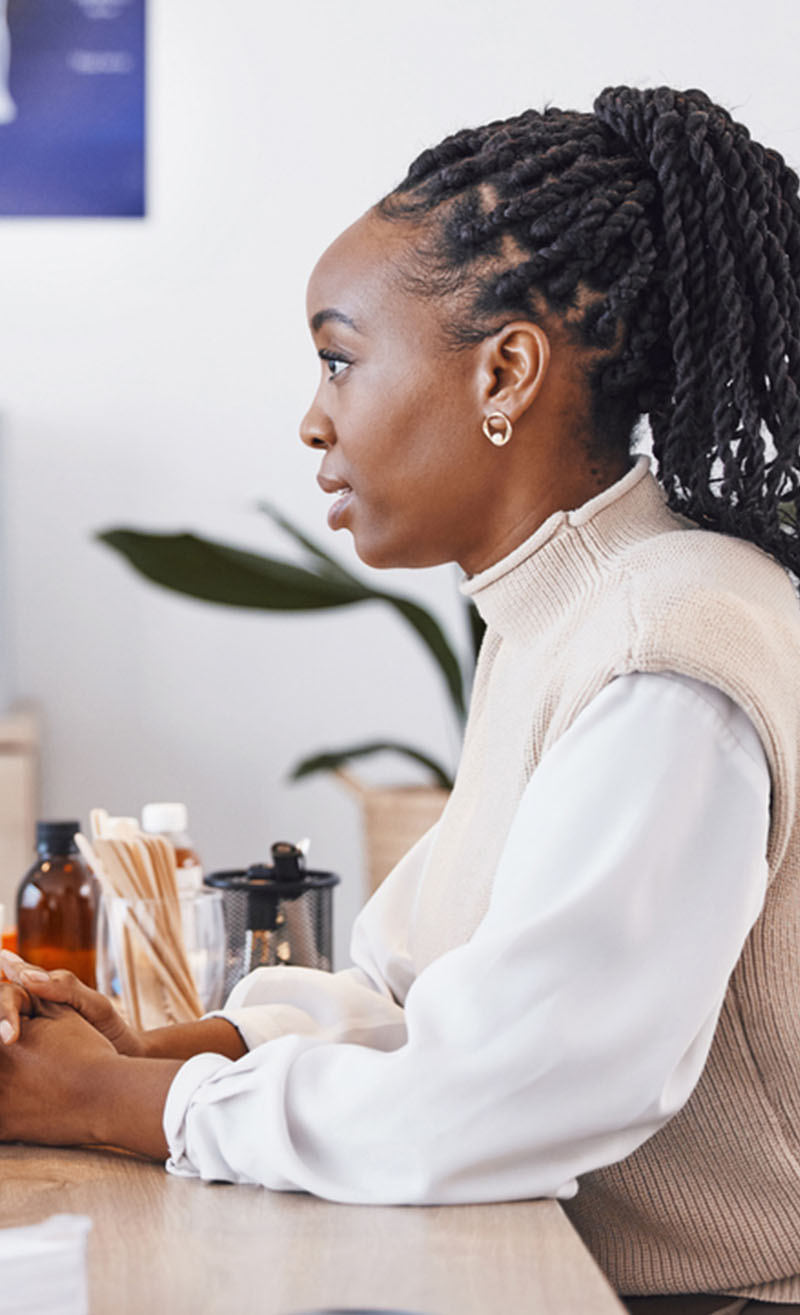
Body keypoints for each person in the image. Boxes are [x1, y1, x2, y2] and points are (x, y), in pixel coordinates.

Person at [2, 84, 800, 1314]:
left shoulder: (661, 646)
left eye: (339, 359)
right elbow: (408, 990)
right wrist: (157, 1048)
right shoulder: (566, 612)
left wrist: (106, 1101)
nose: (312, 419)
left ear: (505, 372)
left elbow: (496, 1089)